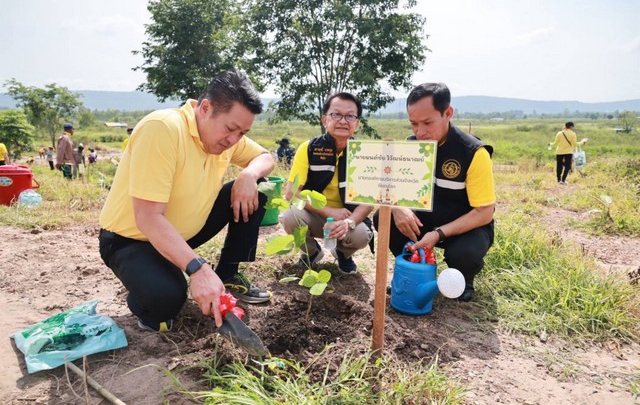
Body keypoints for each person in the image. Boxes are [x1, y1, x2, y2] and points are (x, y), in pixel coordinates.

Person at [98, 70, 274, 333]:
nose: (234, 140)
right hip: (132, 240)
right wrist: (198, 269)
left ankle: (227, 273)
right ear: (205, 108)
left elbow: (265, 157)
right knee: (165, 302)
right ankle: (147, 285)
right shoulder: (163, 129)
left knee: (257, 188)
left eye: (242, 133)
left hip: (182, 234)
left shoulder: (227, 139)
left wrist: (248, 175)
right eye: (230, 129)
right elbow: (148, 217)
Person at [373, 82, 495, 302]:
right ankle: (413, 269)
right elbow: (392, 188)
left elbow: (484, 213)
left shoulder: (474, 153)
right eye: (413, 124)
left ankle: (463, 279)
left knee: (464, 253)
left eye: (428, 123)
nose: (420, 132)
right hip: (424, 221)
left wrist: (439, 233)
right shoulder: (410, 146)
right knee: (384, 216)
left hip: (464, 228)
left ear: (448, 113)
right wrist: (398, 208)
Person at [280, 92, 374, 275]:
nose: (343, 121)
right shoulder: (309, 148)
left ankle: (343, 253)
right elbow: (292, 193)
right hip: (313, 214)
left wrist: (348, 222)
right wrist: (329, 211)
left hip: (347, 217)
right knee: (291, 217)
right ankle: (311, 252)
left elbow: (368, 202)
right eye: (336, 114)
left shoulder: (364, 154)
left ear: (357, 123)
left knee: (362, 234)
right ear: (325, 120)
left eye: (350, 116)